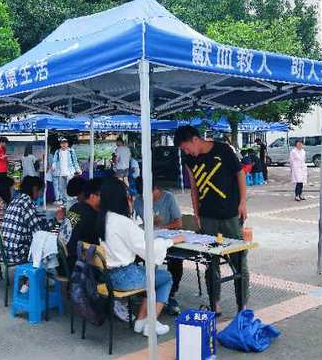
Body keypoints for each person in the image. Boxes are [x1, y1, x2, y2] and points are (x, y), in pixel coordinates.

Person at [174, 125, 248, 316]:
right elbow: (194, 187)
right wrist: (196, 213)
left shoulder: (223, 150)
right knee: (211, 261)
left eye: (186, 147)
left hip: (230, 213)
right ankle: (215, 304)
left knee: (239, 260)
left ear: (195, 140)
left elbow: (240, 174)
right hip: (207, 216)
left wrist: (242, 202)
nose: (186, 152)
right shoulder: (189, 159)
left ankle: (242, 306)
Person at [97, 177, 185, 336]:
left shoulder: (103, 218)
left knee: (151, 275)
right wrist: (170, 241)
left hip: (109, 277)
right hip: (126, 278)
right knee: (165, 278)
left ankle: (141, 321)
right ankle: (151, 323)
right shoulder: (123, 222)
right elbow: (148, 249)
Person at [133, 177, 184, 316]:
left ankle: (170, 294)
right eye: (143, 195)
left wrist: (161, 227)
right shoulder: (138, 201)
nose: (145, 198)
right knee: (139, 258)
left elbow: (178, 223)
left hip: (169, 239)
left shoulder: (168, 198)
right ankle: (146, 290)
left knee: (176, 260)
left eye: (148, 194)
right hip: (147, 241)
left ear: (156, 189)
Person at [0, 176, 44, 264]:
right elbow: (38, 231)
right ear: (34, 189)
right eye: (41, 191)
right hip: (17, 253)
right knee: (46, 241)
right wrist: (56, 222)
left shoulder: (15, 201)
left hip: (3, 252)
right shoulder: (27, 203)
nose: (41, 194)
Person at [51, 137, 81, 205]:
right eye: (62, 143)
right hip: (61, 173)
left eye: (65, 143)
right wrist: (53, 165)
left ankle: (71, 202)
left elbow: (75, 161)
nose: (64, 144)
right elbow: (54, 160)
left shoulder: (71, 151)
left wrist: (77, 169)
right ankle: (65, 202)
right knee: (61, 188)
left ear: (67, 144)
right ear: (60, 144)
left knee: (70, 187)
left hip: (70, 172)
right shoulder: (57, 151)